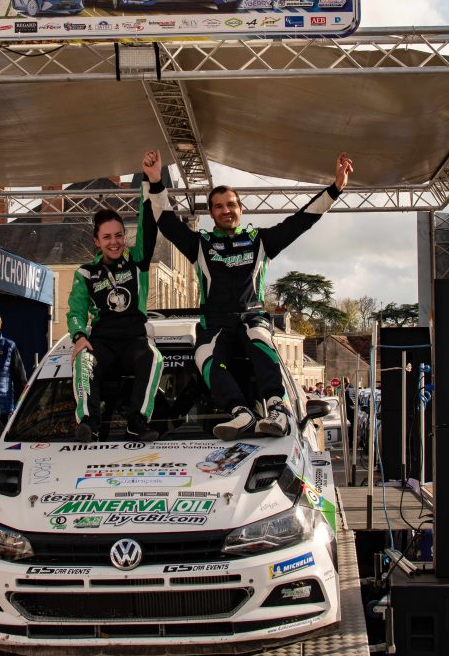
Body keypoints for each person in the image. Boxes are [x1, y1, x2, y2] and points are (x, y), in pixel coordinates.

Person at [142, 148, 354, 441]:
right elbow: (166, 222)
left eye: (230, 205)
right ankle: (240, 412)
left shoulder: (260, 241)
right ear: (211, 213)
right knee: (203, 353)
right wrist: (155, 182)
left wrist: (336, 188)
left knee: (260, 337)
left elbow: (302, 220)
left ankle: (276, 408)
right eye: (218, 206)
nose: (225, 210)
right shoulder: (200, 245)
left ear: (241, 209)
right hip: (214, 321)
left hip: (251, 315)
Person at [67, 182, 163, 443]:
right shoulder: (86, 273)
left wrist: (149, 181)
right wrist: (79, 336)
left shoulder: (136, 261)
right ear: (97, 241)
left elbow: (146, 223)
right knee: (83, 359)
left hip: (135, 340)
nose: (114, 242)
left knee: (153, 356)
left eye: (119, 235)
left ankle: (137, 421)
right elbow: (76, 311)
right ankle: (89, 423)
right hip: (103, 343)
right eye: (107, 237)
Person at [0, 309, 27, 450]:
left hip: (3, 413)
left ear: (0, 325)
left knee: (2, 451)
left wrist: (19, 409)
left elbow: (21, 380)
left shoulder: (9, 346)